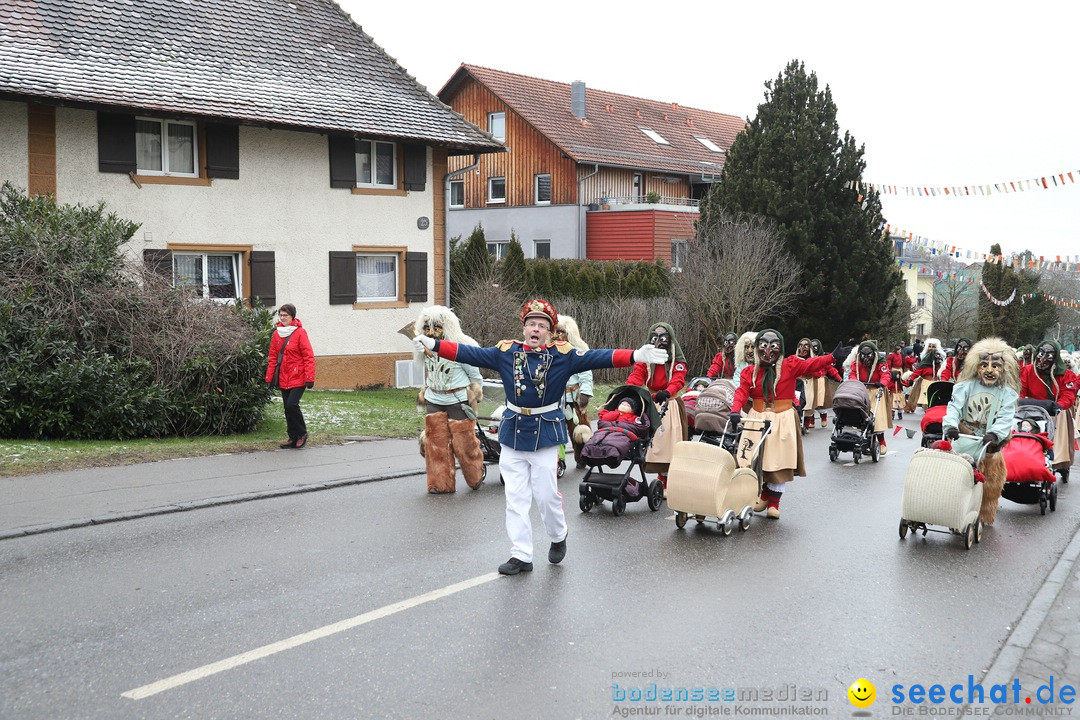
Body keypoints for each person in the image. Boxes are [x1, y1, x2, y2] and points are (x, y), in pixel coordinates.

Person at [414, 298, 667, 576]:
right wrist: (435, 344)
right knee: (515, 497)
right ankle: (521, 555)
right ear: (524, 329)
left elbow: (598, 356)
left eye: (542, 326)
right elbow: (469, 354)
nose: (536, 330)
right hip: (513, 431)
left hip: (545, 431)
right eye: (531, 324)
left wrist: (635, 356)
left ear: (549, 332)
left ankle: (558, 535)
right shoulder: (506, 352)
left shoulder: (563, 354)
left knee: (546, 495)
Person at [728, 329, 837, 519]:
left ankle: (774, 503)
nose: (768, 350)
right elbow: (741, 392)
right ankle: (762, 494)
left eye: (773, 346)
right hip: (757, 417)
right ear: (756, 348)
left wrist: (831, 357)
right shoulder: (749, 371)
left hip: (782, 418)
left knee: (778, 461)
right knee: (754, 459)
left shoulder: (790, 365)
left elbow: (811, 363)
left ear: (781, 348)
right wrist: (735, 411)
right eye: (763, 345)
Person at [942, 337, 1019, 524]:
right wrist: (951, 425)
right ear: (976, 367)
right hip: (964, 438)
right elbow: (954, 407)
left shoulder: (1007, 393)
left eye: (995, 366)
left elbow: (1006, 416)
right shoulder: (965, 386)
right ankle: (954, 513)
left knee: (990, 485)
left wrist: (995, 434)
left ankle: (983, 515)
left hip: (990, 443)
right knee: (957, 481)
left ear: (1004, 368)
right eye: (984, 365)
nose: (989, 370)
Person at [414, 306, 484, 494]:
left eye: (436, 327)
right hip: (434, 398)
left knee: (465, 444)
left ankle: (475, 475)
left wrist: (476, 393)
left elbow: (475, 376)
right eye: (427, 327)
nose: (431, 332)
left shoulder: (462, 346)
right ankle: (440, 483)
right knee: (436, 445)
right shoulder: (425, 346)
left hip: (457, 400)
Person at [626, 322, 688, 488]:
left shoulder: (676, 360)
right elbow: (637, 374)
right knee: (652, 441)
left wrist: (667, 392)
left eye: (663, 338)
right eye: (655, 337)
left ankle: (668, 479)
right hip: (652, 402)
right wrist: (629, 390)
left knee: (669, 441)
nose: (659, 341)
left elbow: (678, 378)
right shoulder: (646, 360)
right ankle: (660, 478)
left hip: (670, 403)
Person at [1019, 339, 1078, 479]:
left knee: (1057, 439)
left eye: (1049, 355)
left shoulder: (1066, 375)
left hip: (1056, 411)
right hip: (1032, 410)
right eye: (1041, 353)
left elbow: (1068, 394)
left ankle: (1060, 463)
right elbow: (1020, 390)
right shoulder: (1027, 371)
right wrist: (1020, 402)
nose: (1043, 359)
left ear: (1055, 357)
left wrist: (1060, 405)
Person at [264, 303, 315, 449]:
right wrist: (269, 377)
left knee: (292, 404)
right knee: (287, 407)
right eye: (280, 315)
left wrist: (309, 378)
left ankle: (302, 434)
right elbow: (273, 357)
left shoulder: (300, 333)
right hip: (283, 377)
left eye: (285, 315)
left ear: (292, 316)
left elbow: (308, 356)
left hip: (298, 376)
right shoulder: (277, 334)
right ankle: (292, 437)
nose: (282, 317)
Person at [555, 315, 593, 471]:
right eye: (555, 331)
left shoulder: (578, 351)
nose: (558, 335)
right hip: (555, 398)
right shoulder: (550, 350)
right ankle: (558, 459)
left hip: (573, 399)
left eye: (561, 331)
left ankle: (582, 456)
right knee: (555, 431)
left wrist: (584, 394)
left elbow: (586, 374)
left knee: (578, 431)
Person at [846, 340, 892, 455]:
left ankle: (882, 443)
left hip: (876, 391)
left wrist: (882, 383)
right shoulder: (856, 363)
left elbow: (886, 374)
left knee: (877, 417)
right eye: (863, 355)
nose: (866, 358)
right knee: (861, 416)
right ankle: (864, 441)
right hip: (861, 390)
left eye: (869, 355)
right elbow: (852, 373)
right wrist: (854, 381)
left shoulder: (880, 363)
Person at [903, 337, 945, 413]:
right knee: (922, 398)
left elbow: (943, 372)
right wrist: (911, 379)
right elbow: (918, 371)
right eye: (930, 346)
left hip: (935, 382)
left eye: (934, 346)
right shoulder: (924, 360)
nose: (931, 348)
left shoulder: (940, 361)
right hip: (925, 382)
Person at [886, 342, 915, 420]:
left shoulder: (900, 381)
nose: (900, 351)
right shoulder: (892, 355)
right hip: (894, 369)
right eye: (898, 350)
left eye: (900, 350)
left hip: (899, 391)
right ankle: (892, 414)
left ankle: (899, 414)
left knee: (899, 405)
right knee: (893, 405)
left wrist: (909, 383)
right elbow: (889, 363)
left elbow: (903, 382)